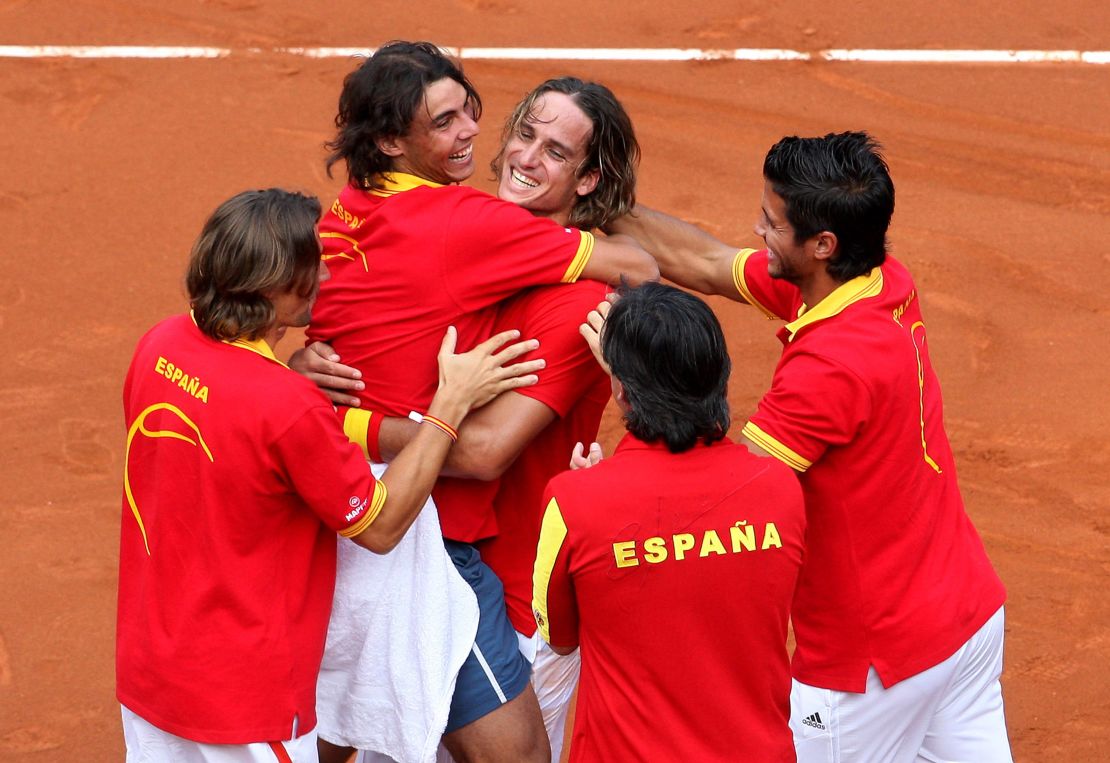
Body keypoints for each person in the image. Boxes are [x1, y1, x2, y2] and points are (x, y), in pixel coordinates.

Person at [605, 131, 1012, 762]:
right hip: (964, 618)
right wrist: (608, 204)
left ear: (822, 245)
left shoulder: (829, 368)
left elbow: (733, 493)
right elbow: (710, 264)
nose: (757, 230)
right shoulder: (876, 282)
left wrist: (626, 374)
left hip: (874, 661)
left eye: (771, 222)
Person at [301, 43, 657, 763]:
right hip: (420, 540)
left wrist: (325, 408)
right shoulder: (467, 227)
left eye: (554, 151)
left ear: (588, 179)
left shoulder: (356, 214)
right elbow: (645, 263)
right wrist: (317, 385)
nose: (487, 139)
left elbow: (487, 450)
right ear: (393, 142)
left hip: (488, 576)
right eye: (522, 132)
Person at [117, 188, 542, 762]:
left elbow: (230, 423)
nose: (323, 273)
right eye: (308, 265)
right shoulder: (287, 407)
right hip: (241, 702)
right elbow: (383, 525)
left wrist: (283, 372)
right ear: (272, 286)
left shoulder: (159, 346)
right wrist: (449, 405)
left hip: (150, 672)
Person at [532, 281, 805, 761]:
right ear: (722, 375)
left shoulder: (573, 501)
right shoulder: (780, 487)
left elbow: (559, 636)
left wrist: (599, 495)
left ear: (619, 390)